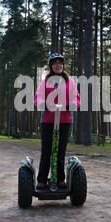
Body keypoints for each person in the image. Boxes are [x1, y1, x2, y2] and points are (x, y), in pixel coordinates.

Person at [34, 53, 80, 189]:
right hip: (48, 120)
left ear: (63, 65)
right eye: (55, 63)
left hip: (65, 120)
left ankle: (60, 178)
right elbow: (38, 97)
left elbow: (75, 98)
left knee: (60, 151)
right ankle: (42, 179)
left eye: (60, 62)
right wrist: (44, 104)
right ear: (51, 66)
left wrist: (71, 105)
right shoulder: (45, 81)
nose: (58, 65)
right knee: (47, 151)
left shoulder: (69, 81)